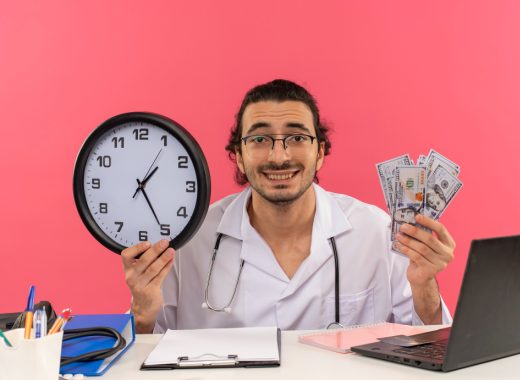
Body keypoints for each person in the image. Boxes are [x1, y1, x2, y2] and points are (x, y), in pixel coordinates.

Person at [122, 79, 455, 333]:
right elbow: (144, 354)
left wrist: (425, 283)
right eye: (259, 139)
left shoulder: (375, 230)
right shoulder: (189, 241)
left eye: (297, 138)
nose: (279, 156)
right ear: (238, 155)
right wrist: (142, 312)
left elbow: (429, 340)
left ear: (320, 152)